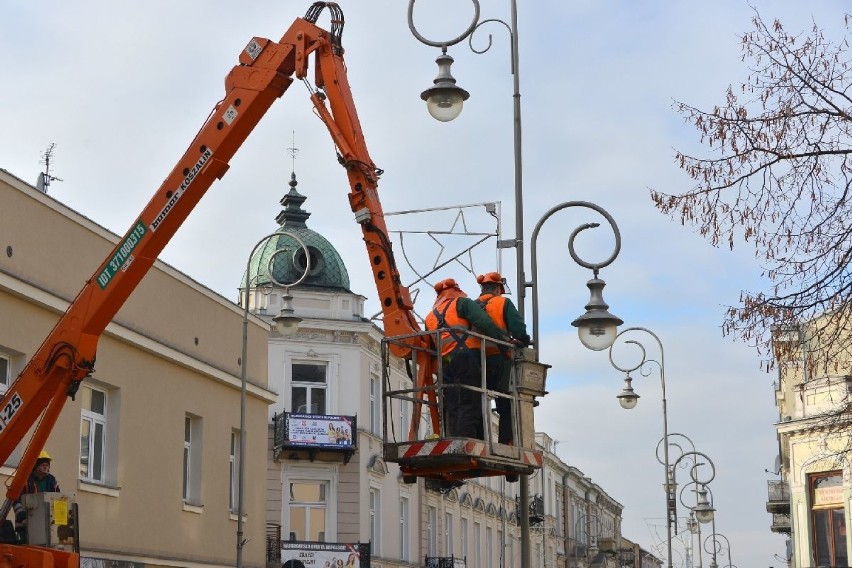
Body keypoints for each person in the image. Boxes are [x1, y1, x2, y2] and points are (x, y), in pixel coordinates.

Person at [425, 278, 509, 439]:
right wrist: (504, 342)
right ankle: (467, 442)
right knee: (470, 401)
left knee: (452, 402)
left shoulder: (430, 316)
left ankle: (453, 439)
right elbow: (484, 323)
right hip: (466, 356)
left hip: (445, 363)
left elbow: (430, 344)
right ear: (456, 291)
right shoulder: (462, 303)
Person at [476, 272, 531, 446]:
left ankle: (479, 439)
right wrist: (523, 340)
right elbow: (517, 327)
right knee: (504, 402)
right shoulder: (503, 302)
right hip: (499, 358)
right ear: (499, 288)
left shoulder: (471, 305)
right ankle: (506, 441)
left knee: (478, 399)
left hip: (476, 359)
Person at [14, 450, 61, 542]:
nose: (46, 467)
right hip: (25, 524)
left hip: (45, 524)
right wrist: (22, 516)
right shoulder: (26, 479)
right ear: (36, 466)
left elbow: (58, 499)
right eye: (43, 465)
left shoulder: (52, 480)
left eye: (47, 465)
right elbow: (16, 499)